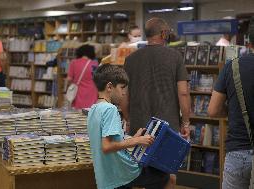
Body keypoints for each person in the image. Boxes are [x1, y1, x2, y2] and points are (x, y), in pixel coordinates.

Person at [121, 17, 191, 187]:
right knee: (166, 176)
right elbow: (183, 93)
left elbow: (124, 94)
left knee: (138, 175)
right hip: (167, 130)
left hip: (139, 129)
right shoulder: (175, 57)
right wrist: (186, 122)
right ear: (163, 33)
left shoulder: (131, 60)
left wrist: (128, 118)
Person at [88, 64, 173, 189]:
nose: (124, 93)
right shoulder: (110, 109)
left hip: (107, 174)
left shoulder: (94, 109)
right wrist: (137, 140)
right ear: (110, 87)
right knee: (164, 176)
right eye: (122, 88)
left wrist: (133, 139)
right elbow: (106, 146)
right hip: (122, 173)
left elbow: (108, 141)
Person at [208, 17, 254, 189]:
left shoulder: (232, 67)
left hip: (238, 151)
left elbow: (213, 110)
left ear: (248, 42)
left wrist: (234, 111)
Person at [67, 44, 98, 109]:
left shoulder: (74, 62)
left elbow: (69, 79)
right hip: (92, 93)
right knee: (90, 113)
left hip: (78, 92)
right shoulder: (95, 63)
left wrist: (72, 84)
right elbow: (96, 79)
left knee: (78, 115)